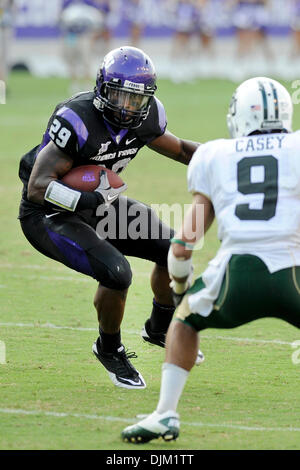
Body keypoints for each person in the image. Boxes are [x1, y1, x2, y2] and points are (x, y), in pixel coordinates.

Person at [121, 76, 300, 442]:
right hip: (293, 269)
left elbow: (183, 246)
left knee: (184, 322)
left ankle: (165, 414)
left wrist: (181, 290)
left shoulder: (215, 154)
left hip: (237, 274)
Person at [18, 46, 204, 391]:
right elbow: (37, 187)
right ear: (103, 90)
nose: (127, 107)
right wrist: (90, 198)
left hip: (97, 204)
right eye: (120, 96)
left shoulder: (146, 119)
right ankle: (109, 347)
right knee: (117, 272)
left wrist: (223, 161)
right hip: (49, 213)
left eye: (136, 100)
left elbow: (179, 150)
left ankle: (159, 328)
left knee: (171, 249)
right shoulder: (76, 119)